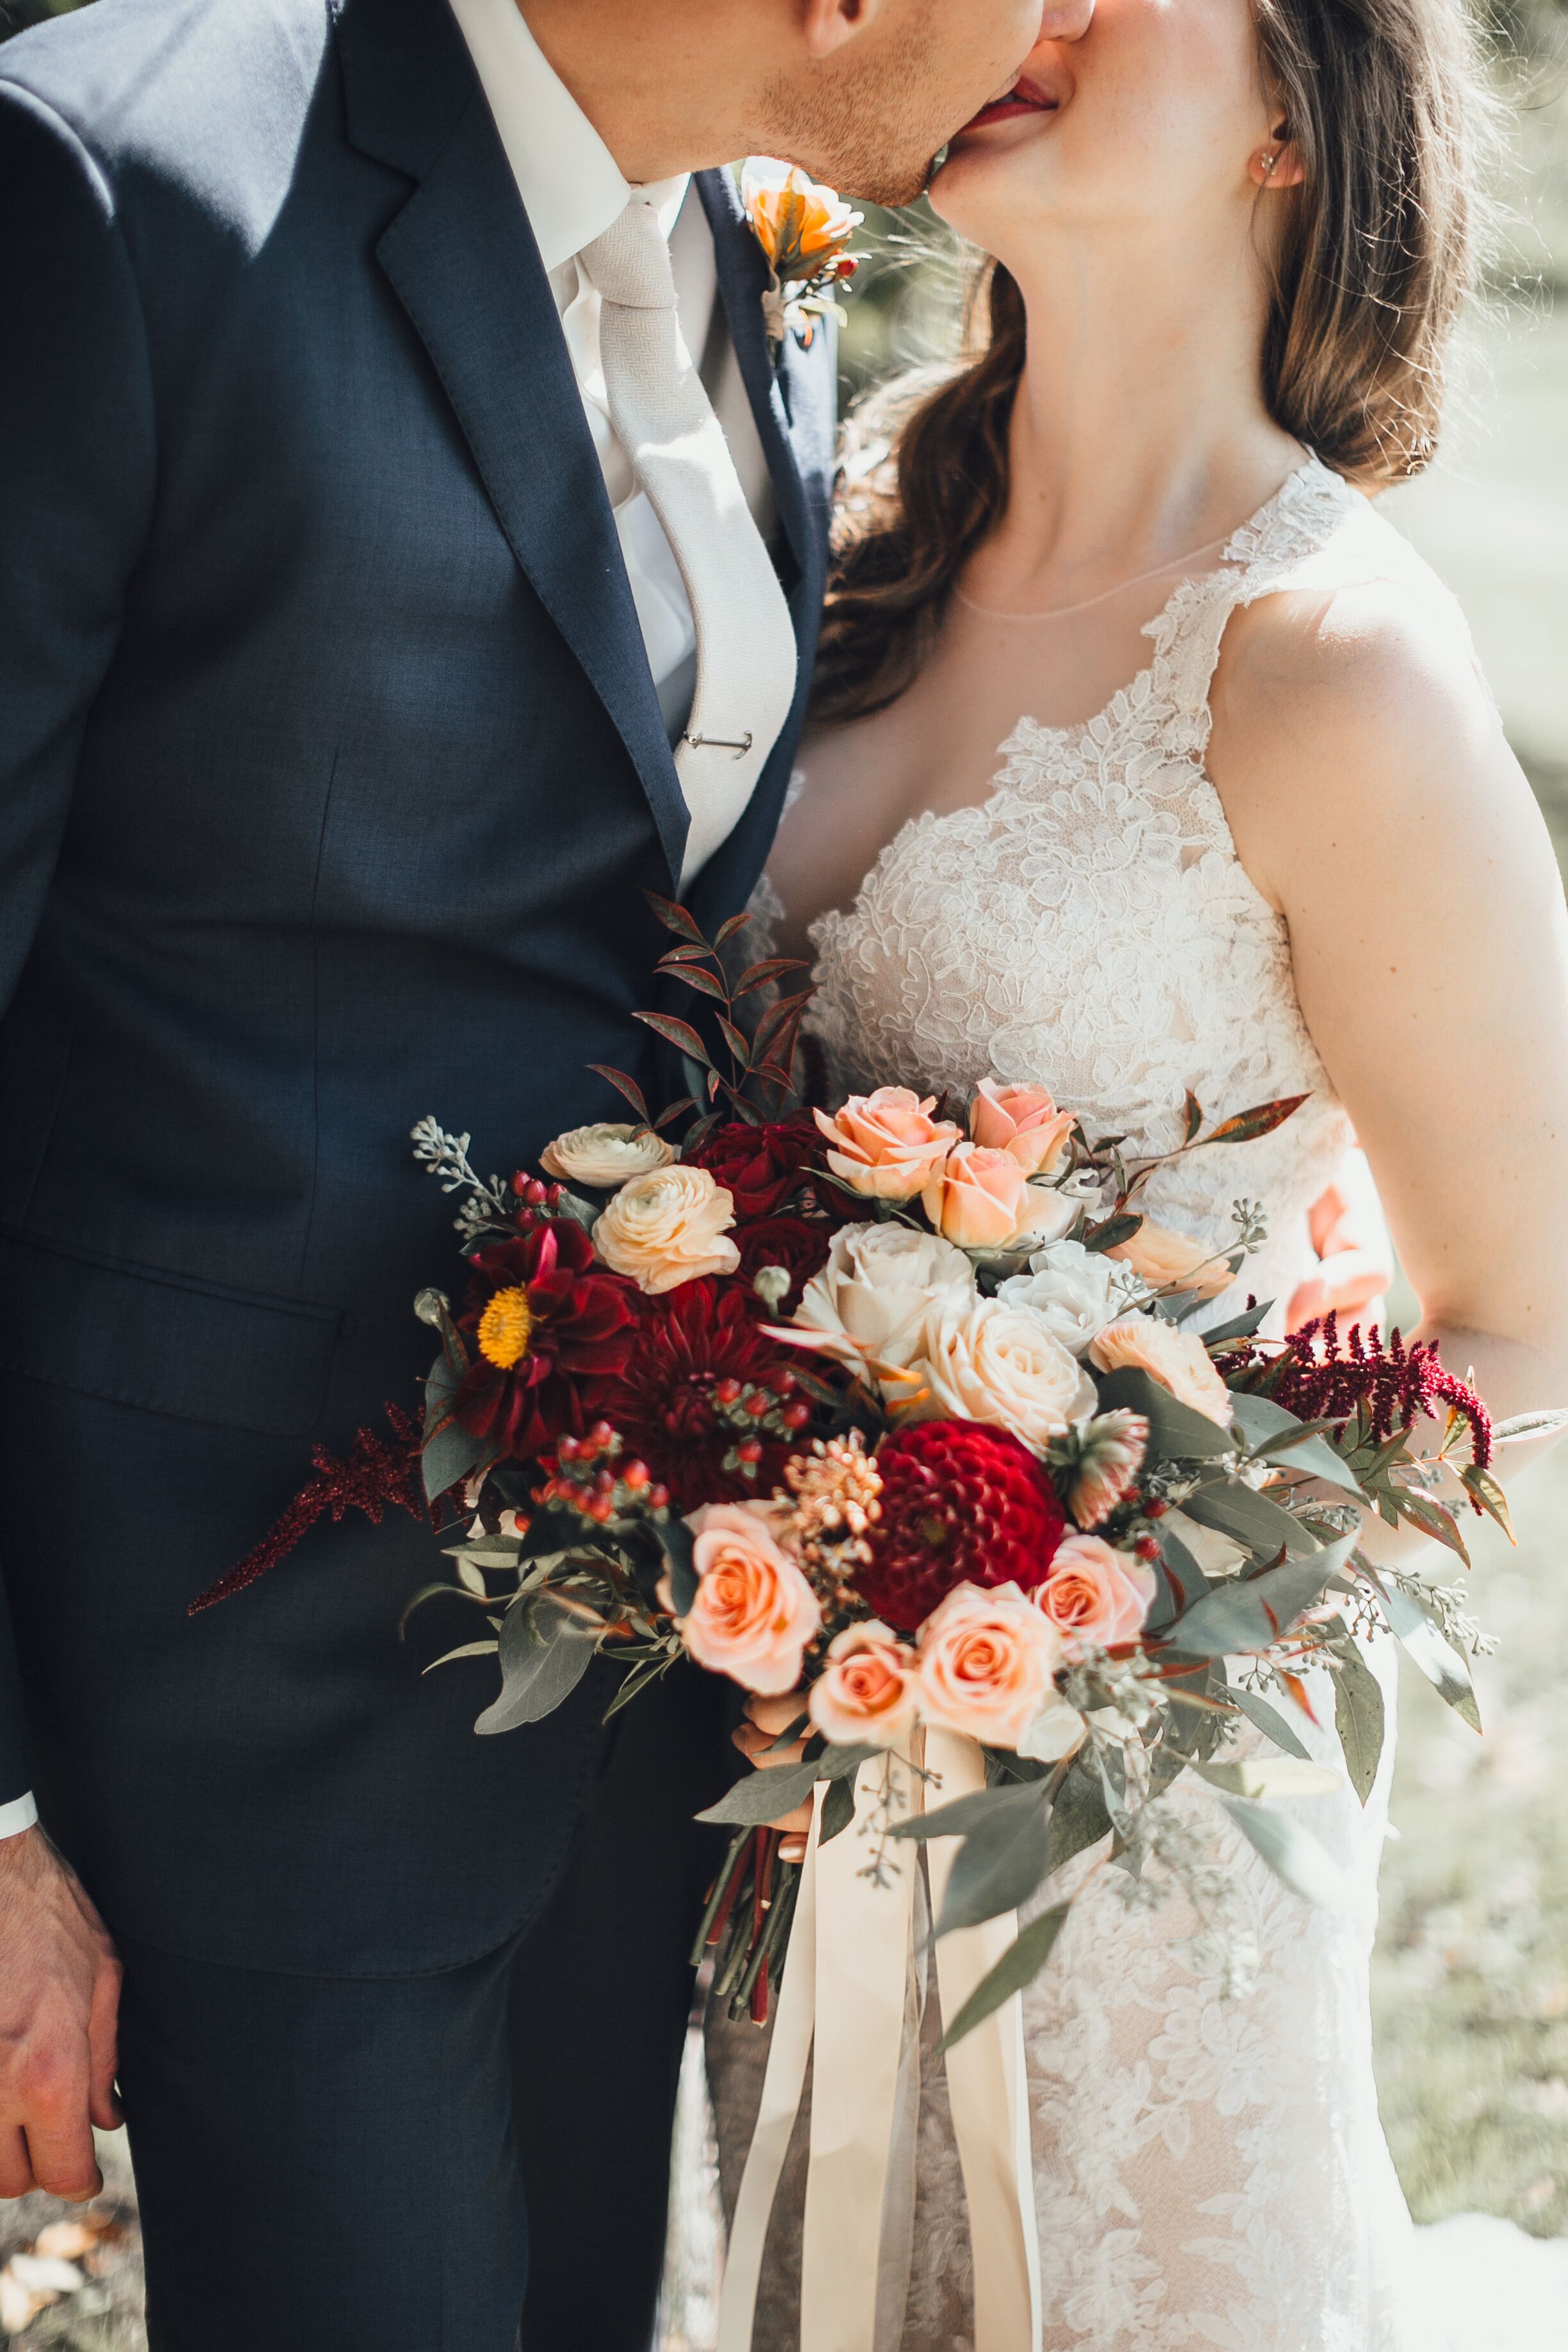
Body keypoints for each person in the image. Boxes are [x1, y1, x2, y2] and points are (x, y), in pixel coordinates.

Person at [0, 0, 1077, 2344]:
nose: (1063, 23)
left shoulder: (759, 242)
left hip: (635, 1659)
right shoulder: (109, 184)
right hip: (228, 1677)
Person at [709, 0, 1568, 2342]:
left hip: (1129, 1802)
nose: (1020, 10)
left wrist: (1114, 1594)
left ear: (1303, 110)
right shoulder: (850, 506)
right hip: (770, 1727)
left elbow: (1527, 1308)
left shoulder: (1332, 664)